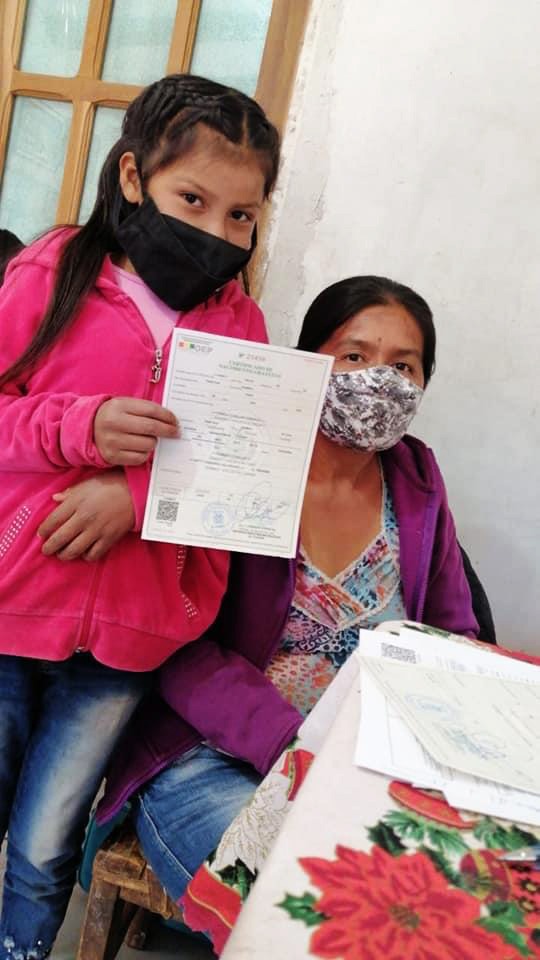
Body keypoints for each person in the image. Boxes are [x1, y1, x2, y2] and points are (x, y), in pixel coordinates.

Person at [80, 276, 479, 907]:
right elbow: (177, 643)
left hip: (367, 765)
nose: (379, 380)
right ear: (305, 363)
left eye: (403, 366)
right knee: (313, 906)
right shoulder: (244, 466)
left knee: (448, 898)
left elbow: (452, 636)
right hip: (211, 757)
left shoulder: (416, 478)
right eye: (354, 355)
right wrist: (293, 747)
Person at [0, 72, 280, 960]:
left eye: (241, 215)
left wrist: (139, 497)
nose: (216, 232)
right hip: (9, 612)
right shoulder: (49, 275)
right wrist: (76, 428)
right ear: (133, 177)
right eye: (192, 199)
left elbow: (245, 479)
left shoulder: (243, 328)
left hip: (129, 642)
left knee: (45, 850)